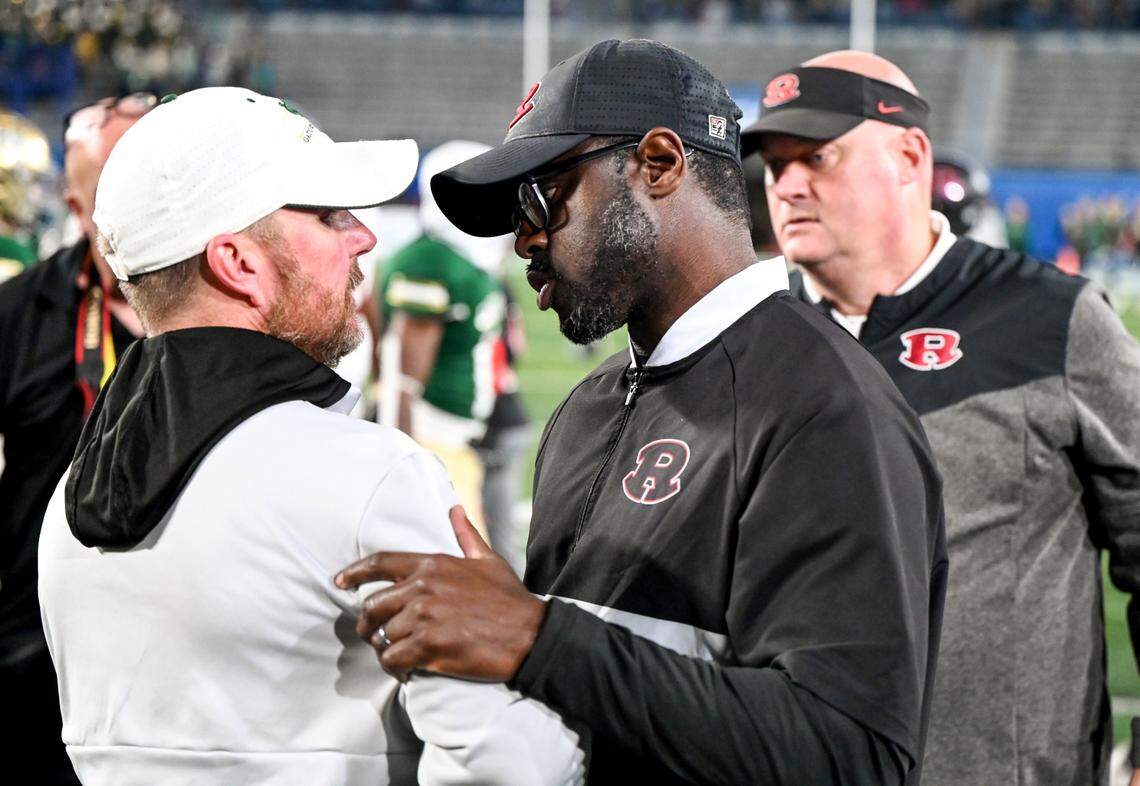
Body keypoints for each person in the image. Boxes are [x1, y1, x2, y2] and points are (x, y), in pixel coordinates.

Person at [336, 39, 947, 785]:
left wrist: (537, 637)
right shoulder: (587, 407)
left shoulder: (828, 407)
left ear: (659, 163)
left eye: (541, 196)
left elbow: (851, 755)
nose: (523, 237)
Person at [36, 87, 584, 785]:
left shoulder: (66, 507)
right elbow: (510, 768)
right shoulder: (368, 476)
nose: (365, 236)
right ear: (237, 263)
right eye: (329, 216)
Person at [740, 50, 1140, 786]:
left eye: (817, 157)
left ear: (908, 155)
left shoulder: (1052, 319)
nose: (788, 185)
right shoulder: (756, 345)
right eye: (774, 165)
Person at [0, 92, 154, 785]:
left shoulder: (240, 312)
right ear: (75, 210)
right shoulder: (16, 315)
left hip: (179, 652)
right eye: (123, 192)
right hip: (35, 661)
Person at [377, 140, 512, 537]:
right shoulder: (430, 262)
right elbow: (401, 380)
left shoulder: (459, 256)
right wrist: (406, 465)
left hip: (454, 439)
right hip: (433, 439)